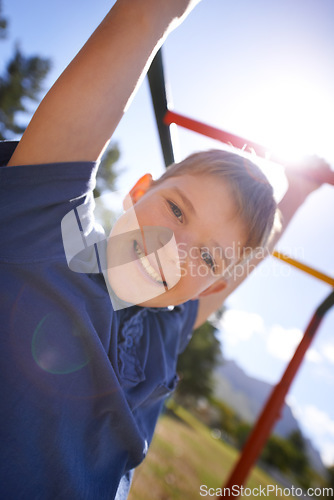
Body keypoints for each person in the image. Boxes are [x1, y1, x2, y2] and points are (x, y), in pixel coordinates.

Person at [0, 1, 330, 499]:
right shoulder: (49, 233)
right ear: (137, 191)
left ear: (211, 285)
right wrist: (155, 11)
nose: (174, 250)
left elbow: (240, 267)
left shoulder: (166, 330)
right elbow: (138, 19)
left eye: (209, 258)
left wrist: (297, 197)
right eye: (176, 210)